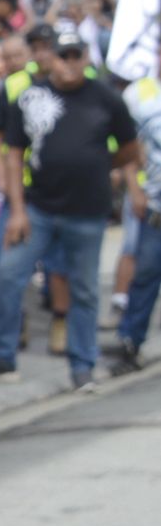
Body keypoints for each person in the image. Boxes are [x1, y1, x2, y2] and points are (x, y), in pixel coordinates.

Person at [0, 24, 140, 390]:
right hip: (38, 209)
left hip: (88, 212)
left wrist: (100, 166)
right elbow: (14, 154)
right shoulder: (30, 97)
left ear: (86, 58)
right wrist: (15, 209)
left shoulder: (106, 99)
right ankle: (1, 355)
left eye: (77, 55)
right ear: (50, 59)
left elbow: (129, 148)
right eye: (63, 55)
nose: (70, 63)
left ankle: (82, 366)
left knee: (85, 289)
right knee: (10, 274)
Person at [111, 70, 161, 373]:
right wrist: (134, 189)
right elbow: (128, 146)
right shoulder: (141, 94)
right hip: (156, 206)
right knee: (145, 275)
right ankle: (130, 341)